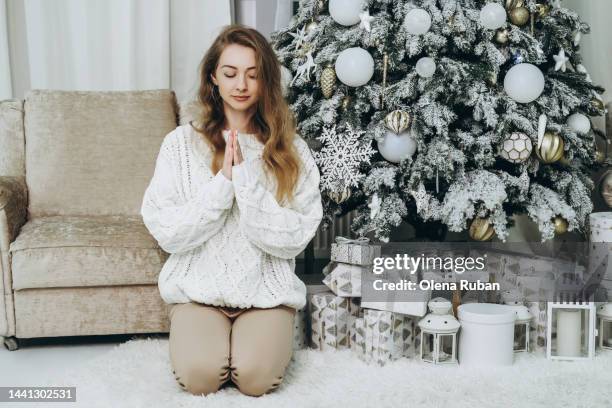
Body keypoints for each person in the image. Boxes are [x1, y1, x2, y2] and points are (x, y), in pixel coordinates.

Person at [140, 24, 323, 397]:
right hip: (198, 293)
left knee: (256, 380)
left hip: (265, 294)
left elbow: (295, 238)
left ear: (266, 81)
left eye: (253, 75)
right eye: (230, 73)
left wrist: (246, 183)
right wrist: (223, 184)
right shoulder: (180, 144)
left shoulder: (293, 151)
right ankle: (207, 338)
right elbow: (167, 230)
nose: (241, 84)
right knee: (201, 377)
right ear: (213, 78)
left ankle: (253, 340)